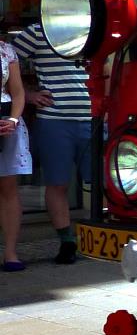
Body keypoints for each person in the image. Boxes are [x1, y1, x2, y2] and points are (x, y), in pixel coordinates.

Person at [10, 20, 93, 262]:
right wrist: (28, 95)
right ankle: (67, 242)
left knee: (103, 181)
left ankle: (105, 236)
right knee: (58, 183)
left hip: (93, 117)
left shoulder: (91, 30)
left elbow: (106, 68)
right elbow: (6, 63)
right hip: (54, 121)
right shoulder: (37, 32)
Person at [0, 35, 28, 272]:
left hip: (5, 122)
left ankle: (10, 252)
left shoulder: (5, 49)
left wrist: (13, 118)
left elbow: (17, 92)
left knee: (8, 187)